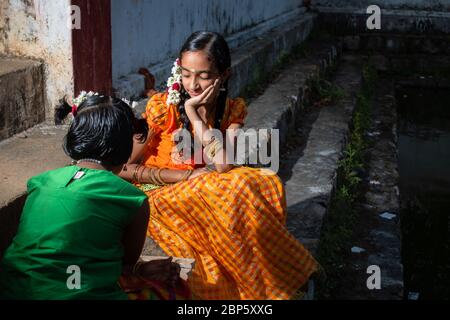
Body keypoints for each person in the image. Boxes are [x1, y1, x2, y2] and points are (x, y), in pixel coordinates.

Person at [119, 31, 318, 300]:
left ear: (223, 75)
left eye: (204, 75)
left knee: (264, 181)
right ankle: (271, 286)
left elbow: (223, 164)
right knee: (227, 186)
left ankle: (267, 280)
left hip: (202, 185)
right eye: (186, 74)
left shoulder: (231, 110)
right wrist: (184, 176)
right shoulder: (161, 107)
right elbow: (122, 167)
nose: (193, 84)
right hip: (158, 191)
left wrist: (194, 115)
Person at [0, 95, 183, 300]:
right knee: (174, 292)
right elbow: (126, 264)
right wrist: (141, 270)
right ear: (125, 146)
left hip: (12, 291)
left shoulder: (40, 182)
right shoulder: (132, 199)